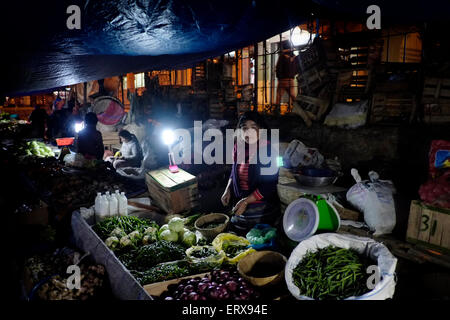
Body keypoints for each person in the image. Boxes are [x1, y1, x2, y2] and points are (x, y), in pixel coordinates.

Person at [221, 111, 280, 234]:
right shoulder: (239, 146)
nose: (249, 132)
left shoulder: (268, 150)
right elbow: (234, 169)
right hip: (240, 201)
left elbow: (269, 185)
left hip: (262, 207)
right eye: (244, 128)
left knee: (254, 236)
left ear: (261, 129)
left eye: (254, 127)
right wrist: (228, 189)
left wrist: (246, 201)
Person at [275, 41, 300, 111]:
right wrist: (293, 74)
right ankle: (296, 109)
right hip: (291, 80)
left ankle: (277, 110)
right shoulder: (295, 57)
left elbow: (278, 68)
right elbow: (297, 68)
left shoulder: (282, 57)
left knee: (279, 96)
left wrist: (278, 77)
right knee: (292, 96)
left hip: (283, 80)